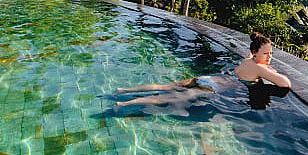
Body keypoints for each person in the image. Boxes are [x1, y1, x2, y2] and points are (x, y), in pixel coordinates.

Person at [114, 32, 291, 108]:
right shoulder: (261, 68)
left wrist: (264, 62)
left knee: (166, 86)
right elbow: (285, 84)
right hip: (212, 87)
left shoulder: (248, 60)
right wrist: (272, 72)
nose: (269, 57)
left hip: (208, 78)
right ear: (255, 52)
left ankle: (124, 90)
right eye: (266, 53)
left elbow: (250, 58)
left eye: (271, 54)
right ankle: (125, 104)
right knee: (169, 98)